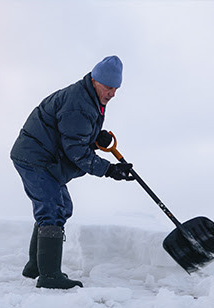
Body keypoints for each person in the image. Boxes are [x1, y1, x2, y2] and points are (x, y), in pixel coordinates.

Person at [10, 55, 134, 289]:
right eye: (109, 87)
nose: (112, 93)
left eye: (116, 88)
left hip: (45, 157)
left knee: (61, 207)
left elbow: (72, 133)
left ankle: (35, 266)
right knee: (52, 209)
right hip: (36, 158)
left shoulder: (90, 98)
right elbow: (75, 150)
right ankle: (49, 276)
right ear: (96, 80)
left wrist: (97, 138)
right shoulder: (80, 103)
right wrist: (109, 170)